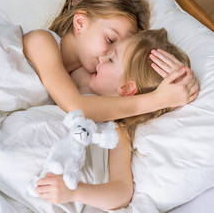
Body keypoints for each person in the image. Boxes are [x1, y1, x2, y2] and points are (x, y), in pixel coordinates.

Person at [33, 28, 194, 210]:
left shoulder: (117, 129)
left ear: (126, 89)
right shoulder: (82, 81)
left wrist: (74, 192)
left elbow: (122, 191)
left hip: (45, 182)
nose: (100, 59)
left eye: (110, 59)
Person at [23, 0, 198, 123]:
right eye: (110, 40)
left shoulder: (81, 74)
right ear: (81, 23)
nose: (108, 54)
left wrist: (175, 79)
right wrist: (157, 100)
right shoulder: (42, 42)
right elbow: (78, 107)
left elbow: (115, 99)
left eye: (118, 50)